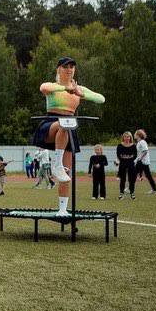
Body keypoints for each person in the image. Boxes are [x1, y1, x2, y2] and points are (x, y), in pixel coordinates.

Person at [32, 57, 105, 216]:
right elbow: (43, 87)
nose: (69, 69)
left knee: (66, 175)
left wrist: (80, 93)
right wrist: (66, 88)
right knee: (63, 125)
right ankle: (56, 164)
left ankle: (62, 209)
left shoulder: (79, 88)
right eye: (66, 67)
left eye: (72, 67)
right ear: (59, 69)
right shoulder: (53, 86)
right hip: (51, 124)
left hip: (69, 127)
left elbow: (101, 98)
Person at [134, 129, 156, 195]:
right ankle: (154, 190)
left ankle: (129, 189)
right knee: (148, 175)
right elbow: (140, 152)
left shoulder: (142, 142)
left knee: (134, 173)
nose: (134, 135)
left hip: (142, 162)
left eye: (135, 134)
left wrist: (140, 159)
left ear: (138, 135)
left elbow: (145, 151)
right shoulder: (139, 142)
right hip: (142, 161)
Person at [115, 132, 137, 199]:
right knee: (122, 179)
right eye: (125, 137)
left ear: (130, 138)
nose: (126, 138)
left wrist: (129, 158)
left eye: (128, 137)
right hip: (122, 163)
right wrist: (124, 158)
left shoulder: (133, 146)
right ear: (123, 137)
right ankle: (121, 194)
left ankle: (132, 193)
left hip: (131, 164)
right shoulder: (120, 145)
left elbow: (135, 155)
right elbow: (118, 155)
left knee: (131, 179)